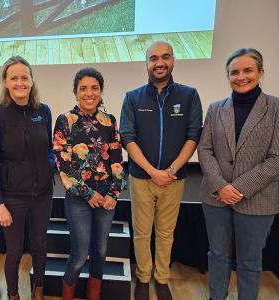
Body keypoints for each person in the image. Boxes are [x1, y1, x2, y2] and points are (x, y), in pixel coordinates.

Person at [119, 41, 203, 300]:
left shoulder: (189, 96)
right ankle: (143, 278)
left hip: (174, 180)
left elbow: (193, 135)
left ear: (173, 60)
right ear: (146, 63)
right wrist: (153, 171)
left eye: (165, 57)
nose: (159, 63)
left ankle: (162, 278)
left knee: (166, 233)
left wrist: (171, 169)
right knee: (142, 233)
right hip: (141, 178)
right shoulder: (132, 98)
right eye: (153, 58)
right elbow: (127, 137)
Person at [198, 48, 279, 300]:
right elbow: (205, 149)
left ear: (260, 73)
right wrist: (222, 186)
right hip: (216, 197)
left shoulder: (275, 108)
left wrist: (240, 188)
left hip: (258, 200)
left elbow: (276, 158)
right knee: (217, 254)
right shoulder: (215, 108)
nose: (241, 77)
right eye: (235, 72)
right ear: (228, 76)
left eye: (248, 71)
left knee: (250, 260)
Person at [0, 56, 54, 300]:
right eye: (14, 78)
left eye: (25, 77)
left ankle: (39, 291)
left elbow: (49, 149)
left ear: (32, 81)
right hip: (12, 199)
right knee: (14, 252)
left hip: (43, 195)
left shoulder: (43, 111)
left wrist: (49, 166)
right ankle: (13, 295)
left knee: (40, 247)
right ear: (5, 82)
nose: (20, 82)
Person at [53, 67, 126, 300]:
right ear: (75, 92)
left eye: (94, 88)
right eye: (83, 88)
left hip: (106, 196)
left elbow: (116, 160)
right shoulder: (65, 121)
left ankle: (94, 295)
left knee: (101, 251)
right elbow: (63, 166)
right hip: (79, 198)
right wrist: (88, 193)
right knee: (80, 253)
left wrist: (114, 193)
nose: (89, 93)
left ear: (101, 91)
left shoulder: (110, 121)